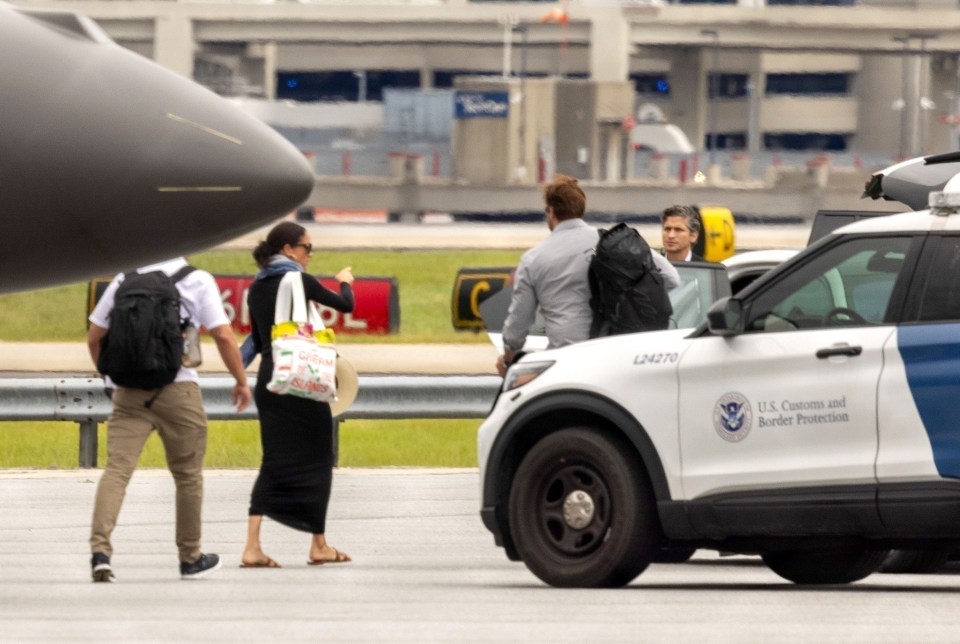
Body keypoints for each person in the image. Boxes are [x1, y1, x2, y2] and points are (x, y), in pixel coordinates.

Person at [87, 257, 252, 582]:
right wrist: (241, 380)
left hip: (129, 390)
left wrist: (110, 377)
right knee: (188, 476)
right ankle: (190, 558)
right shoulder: (197, 279)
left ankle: (100, 553)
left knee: (117, 470)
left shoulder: (124, 278)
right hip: (179, 390)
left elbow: (95, 337)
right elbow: (222, 334)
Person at [242, 221, 355, 568]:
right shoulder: (299, 281)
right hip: (301, 381)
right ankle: (318, 544)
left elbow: (258, 343)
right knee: (320, 456)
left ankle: (252, 545)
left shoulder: (255, 288)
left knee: (273, 459)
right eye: (307, 248)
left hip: (268, 380)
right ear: (289, 250)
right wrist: (346, 281)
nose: (309, 255)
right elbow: (344, 306)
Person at [496, 175, 679, 376]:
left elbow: (518, 326)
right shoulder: (613, 244)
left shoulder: (533, 259)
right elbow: (671, 277)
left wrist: (507, 357)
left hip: (565, 362)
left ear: (552, 212)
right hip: (614, 359)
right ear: (581, 209)